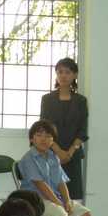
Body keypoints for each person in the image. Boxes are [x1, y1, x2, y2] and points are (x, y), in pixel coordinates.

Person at [18, 119, 91, 216]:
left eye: (48, 136)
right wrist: (59, 204)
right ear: (32, 139)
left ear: (53, 141)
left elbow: (61, 182)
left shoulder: (53, 157)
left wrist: (67, 201)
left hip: (55, 198)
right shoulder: (28, 159)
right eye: (39, 135)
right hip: (35, 201)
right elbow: (41, 185)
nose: (43, 139)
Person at [40, 57, 88, 200]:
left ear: (75, 75)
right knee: (51, 196)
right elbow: (44, 128)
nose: (63, 76)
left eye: (67, 72)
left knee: (71, 198)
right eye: (60, 72)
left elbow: (82, 130)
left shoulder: (81, 101)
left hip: (73, 155)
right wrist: (58, 151)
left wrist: (70, 152)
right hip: (50, 152)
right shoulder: (47, 99)